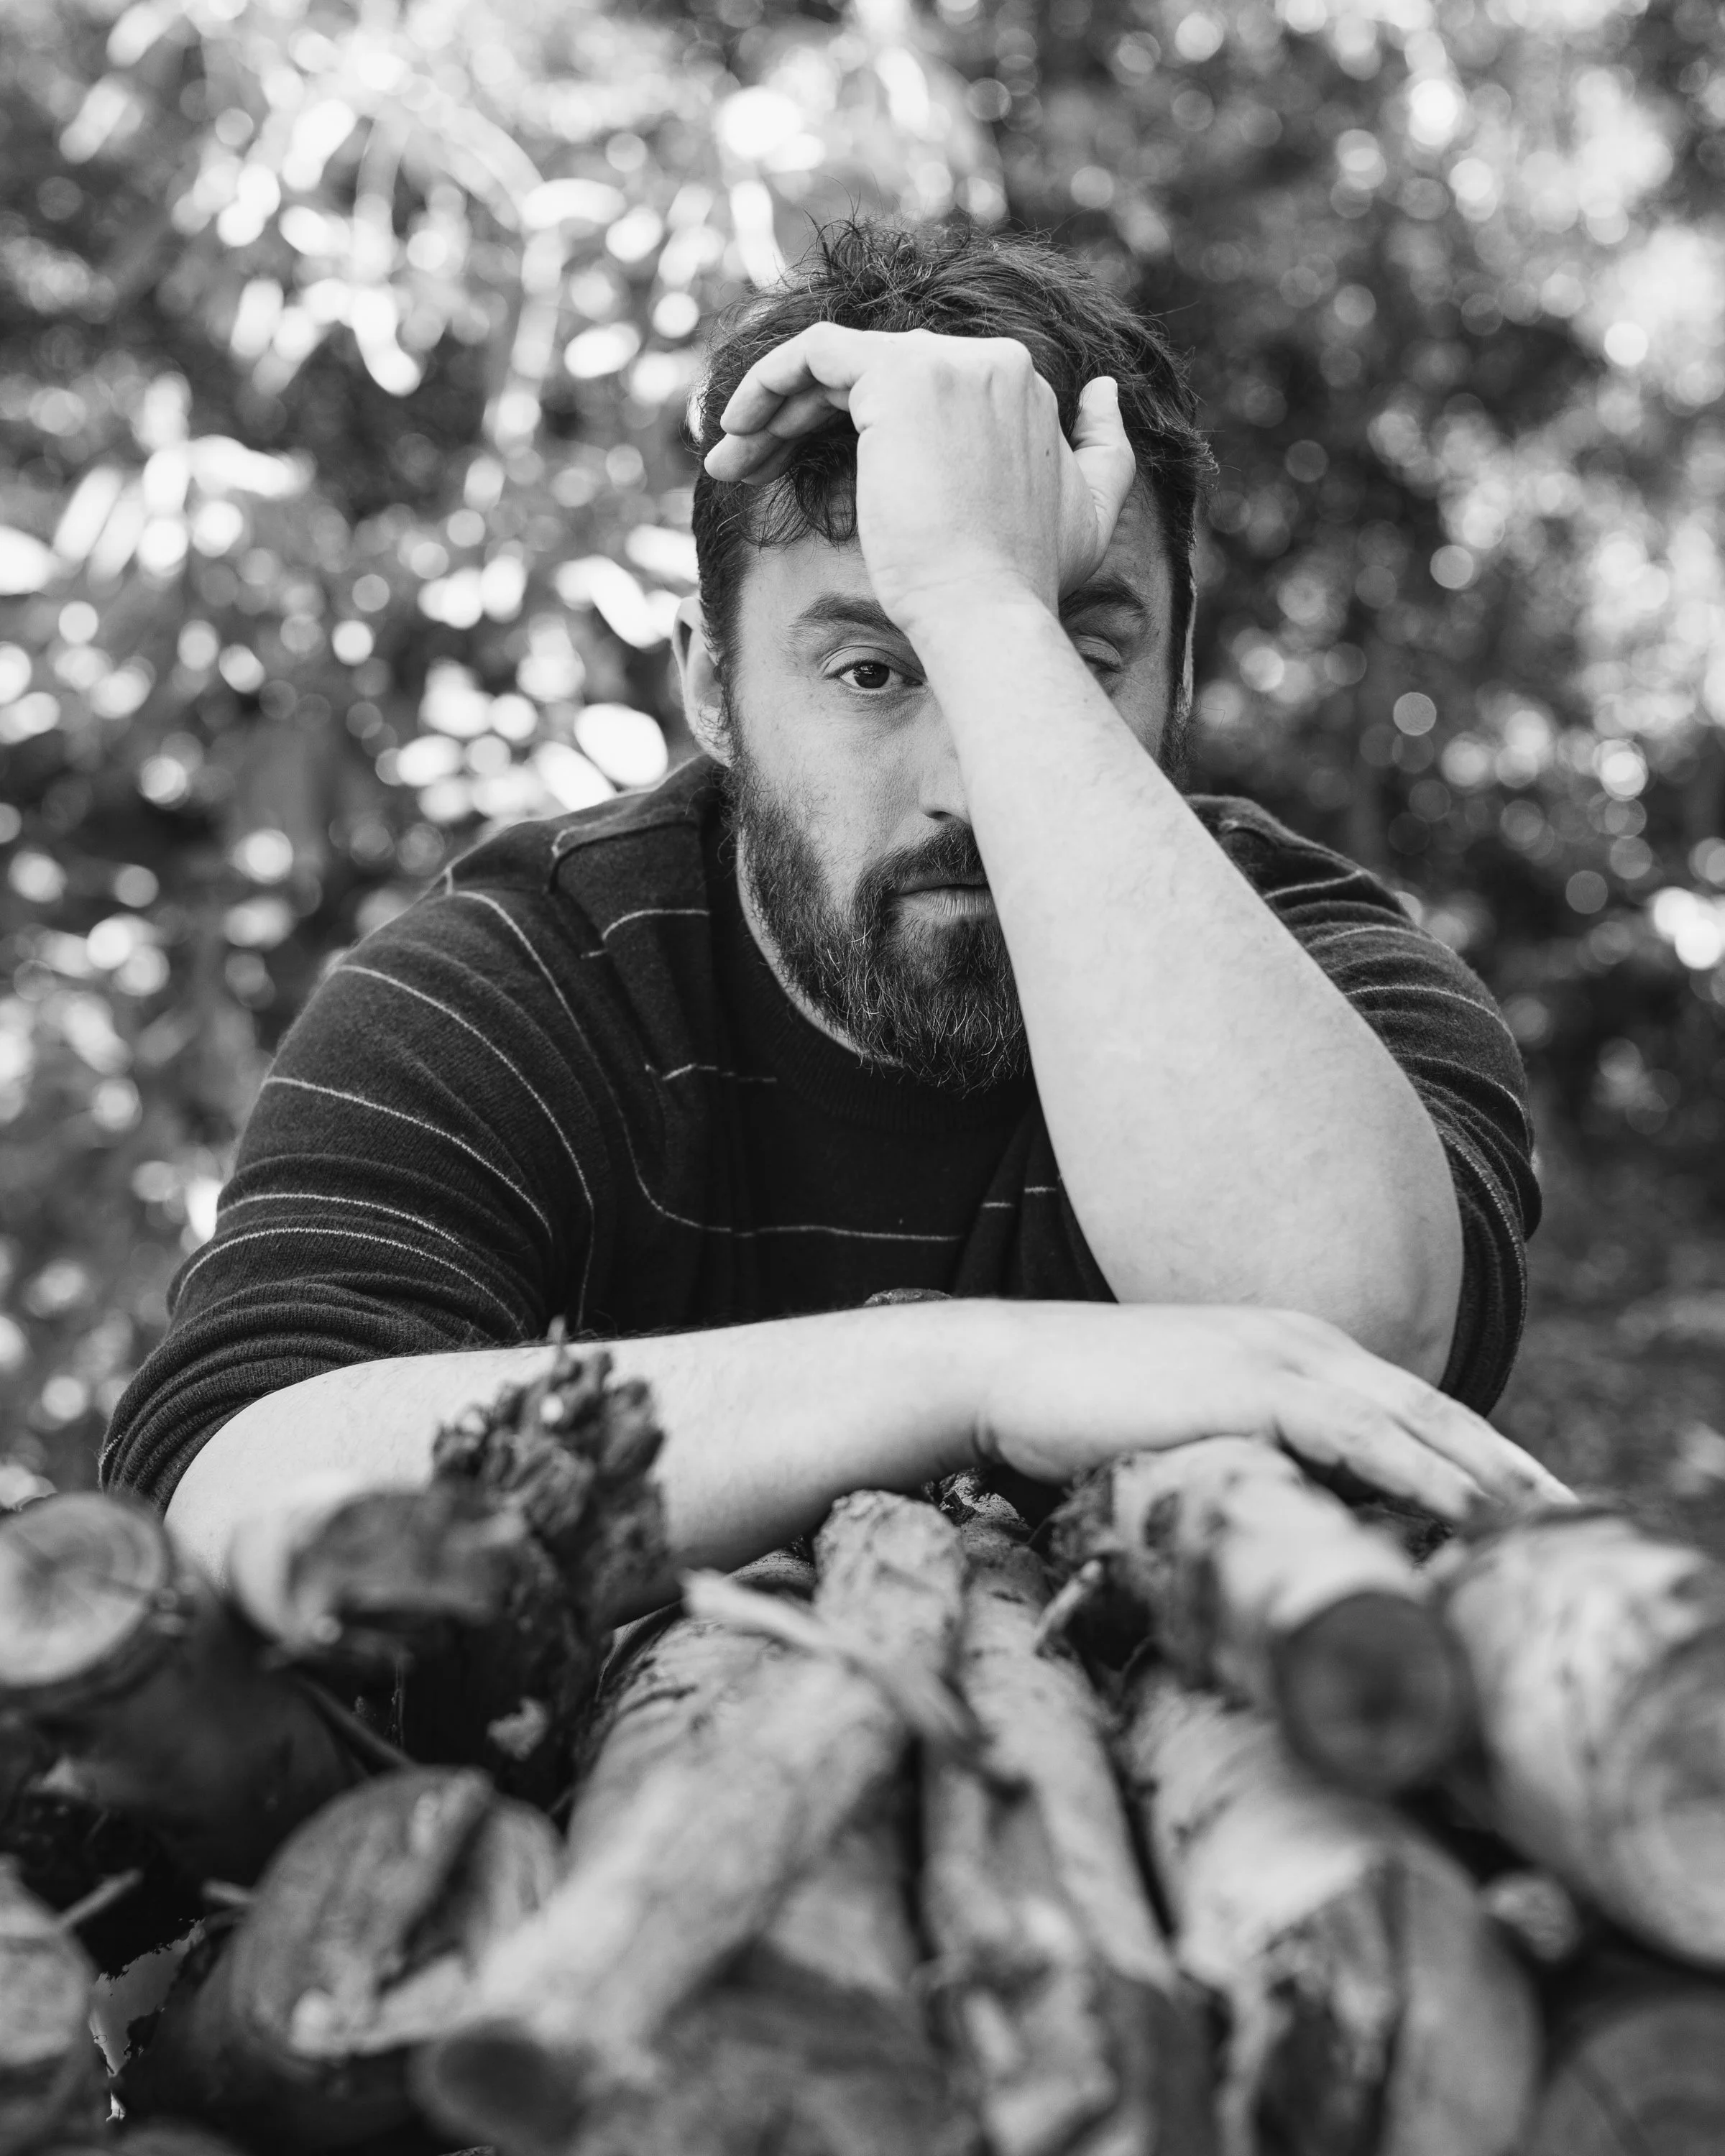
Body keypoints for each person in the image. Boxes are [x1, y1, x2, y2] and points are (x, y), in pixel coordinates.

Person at [102, 219, 1562, 1609]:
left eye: (1078, 659)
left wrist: (985, 602)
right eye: (873, 670)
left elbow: (1355, 1331)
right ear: (710, 689)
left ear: (1179, 678)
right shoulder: (512, 987)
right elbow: (229, 1502)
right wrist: (973, 1375)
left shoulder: (1321, 970)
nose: (971, 784)